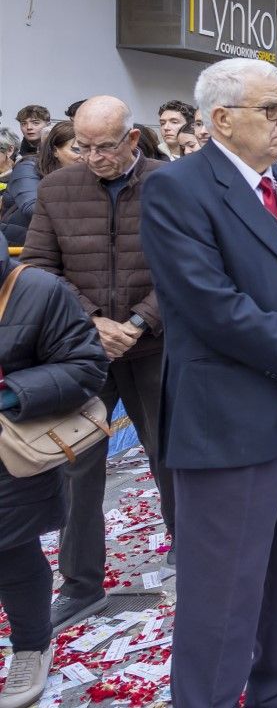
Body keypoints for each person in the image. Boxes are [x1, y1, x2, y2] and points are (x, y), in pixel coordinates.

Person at [140, 59, 277, 708]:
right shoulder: (178, 188)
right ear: (221, 120)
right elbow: (209, 304)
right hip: (231, 419)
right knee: (225, 591)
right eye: (273, 110)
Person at [19, 96, 173, 632]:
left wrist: (136, 323)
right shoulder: (57, 189)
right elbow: (39, 268)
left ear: (133, 139)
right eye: (82, 147)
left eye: (104, 146)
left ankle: (189, 559)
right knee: (77, 467)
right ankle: (81, 585)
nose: (92, 157)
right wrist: (91, 323)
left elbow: (190, 267)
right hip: (81, 351)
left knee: (170, 456)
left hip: (153, 345)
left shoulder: (169, 184)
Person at [0, 250, 107, 708]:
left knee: (10, 552)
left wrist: (8, 394)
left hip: (8, 450)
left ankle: (31, 647)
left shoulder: (36, 290)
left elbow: (86, 366)